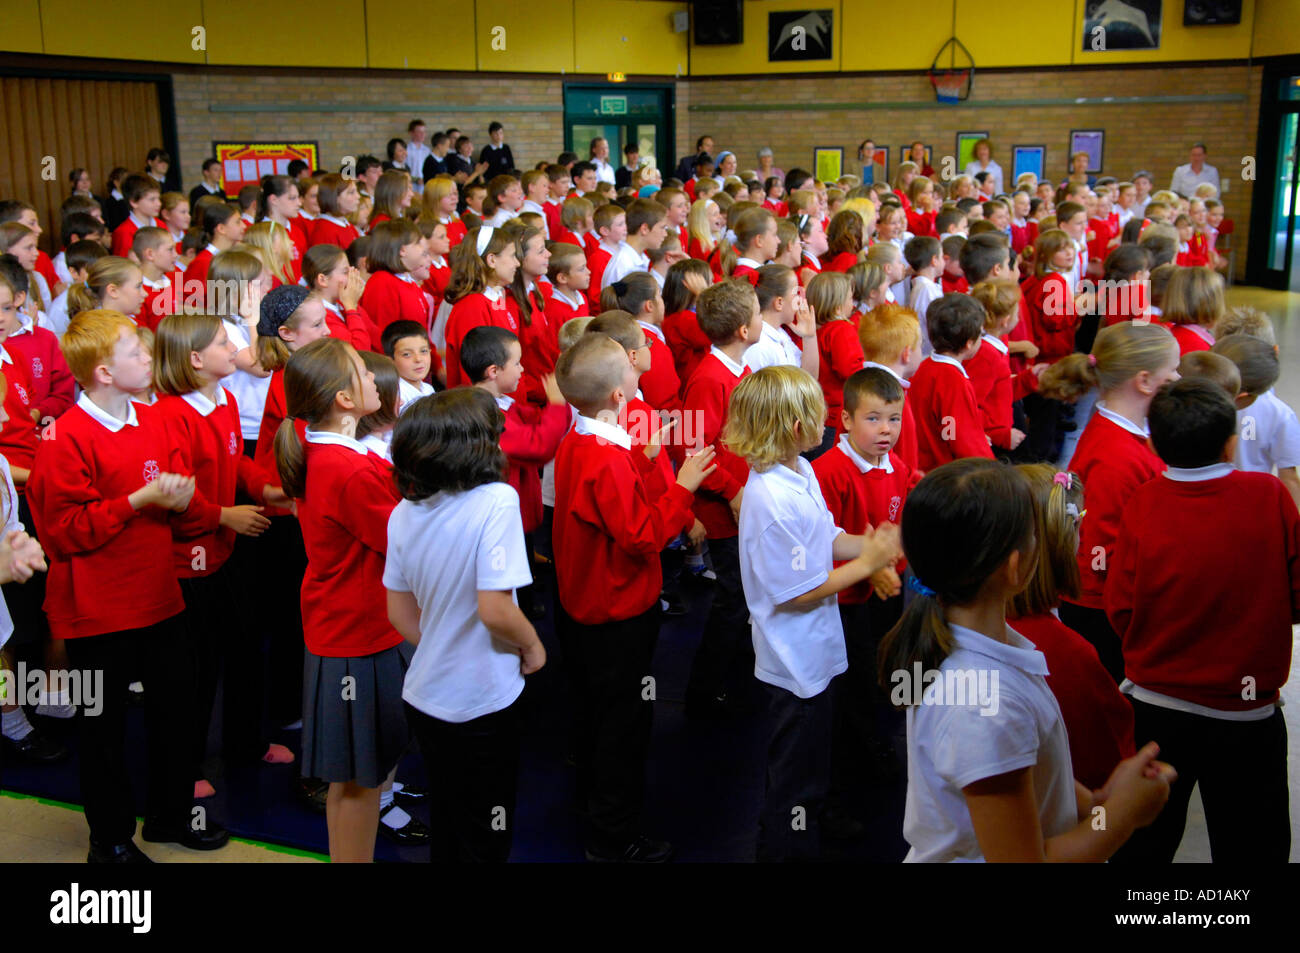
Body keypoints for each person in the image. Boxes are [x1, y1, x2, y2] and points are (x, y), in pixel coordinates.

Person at [878, 458, 1175, 862]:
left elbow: (1026, 770)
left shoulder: (969, 647)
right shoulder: (985, 706)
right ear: (1016, 566)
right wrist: (1119, 816)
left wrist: (1101, 801)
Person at [30, 310, 220, 861]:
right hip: (96, 609)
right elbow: (63, 533)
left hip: (159, 595)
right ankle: (109, 840)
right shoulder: (65, 437)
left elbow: (183, 505)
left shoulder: (156, 419)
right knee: (103, 733)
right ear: (104, 373)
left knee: (175, 716)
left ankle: (169, 814)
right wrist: (138, 502)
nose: (147, 358)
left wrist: (189, 504)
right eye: (135, 352)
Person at [1107, 379, 1294, 862]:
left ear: (1154, 443)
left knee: (1144, 840)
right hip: (1247, 712)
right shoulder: (1269, 496)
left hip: (1157, 706)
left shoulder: (1144, 502)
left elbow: (1122, 606)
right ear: (1232, 442)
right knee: (1253, 844)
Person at [553, 332, 716, 861]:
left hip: (581, 607)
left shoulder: (583, 440)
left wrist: (646, 460)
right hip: (617, 610)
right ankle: (613, 836)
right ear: (619, 397)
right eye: (629, 370)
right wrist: (684, 485)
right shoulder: (605, 456)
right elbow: (643, 536)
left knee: (594, 714)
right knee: (622, 726)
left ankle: (590, 805)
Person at [727, 365, 900, 860]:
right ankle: (784, 847)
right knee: (793, 776)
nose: (826, 424)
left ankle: (807, 827)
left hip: (816, 647)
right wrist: (867, 562)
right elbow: (795, 592)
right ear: (794, 428)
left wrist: (868, 546)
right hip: (793, 659)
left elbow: (825, 537)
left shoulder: (799, 471)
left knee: (813, 762)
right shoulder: (770, 500)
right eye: (816, 416)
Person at [385, 387, 544, 862]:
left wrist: (440, 644)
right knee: (488, 826)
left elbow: (399, 614)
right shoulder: (496, 500)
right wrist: (532, 646)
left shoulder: (402, 513)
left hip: (425, 694)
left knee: (452, 820)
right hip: (482, 699)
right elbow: (496, 609)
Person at [273, 336, 410, 863]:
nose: (377, 377)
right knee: (358, 782)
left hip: (358, 628)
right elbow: (404, 539)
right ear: (344, 400)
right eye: (363, 372)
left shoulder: (339, 456)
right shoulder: (347, 470)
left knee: (360, 777)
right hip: (357, 637)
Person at [1037, 321, 1180, 682]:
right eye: (1172, 370)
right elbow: (1102, 548)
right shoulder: (1116, 457)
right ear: (1144, 381)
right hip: (1102, 607)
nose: (1177, 377)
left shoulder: (1123, 437)